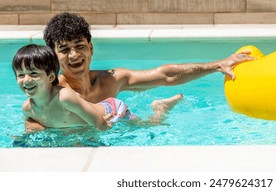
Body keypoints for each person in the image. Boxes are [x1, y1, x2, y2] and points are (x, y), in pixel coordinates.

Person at [24, 12, 253, 132]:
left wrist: (216, 65)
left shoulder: (112, 79)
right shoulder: (52, 92)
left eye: (80, 46)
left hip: (112, 129)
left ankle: (159, 109)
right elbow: (32, 120)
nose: (74, 55)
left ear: (90, 47)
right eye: (64, 50)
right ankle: (160, 108)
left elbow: (165, 75)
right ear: (54, 56)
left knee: (153, 127)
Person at [13, 44, 183, 132]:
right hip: (97, 116)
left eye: (34, 73)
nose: (26, 80)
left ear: (51, 77)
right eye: (21, 75)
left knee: (147, 126)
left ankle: (160, 109)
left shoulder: (64, 97)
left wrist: (103, 128)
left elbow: (98, 122)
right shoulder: (28, 108)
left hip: (112, 111)